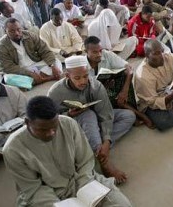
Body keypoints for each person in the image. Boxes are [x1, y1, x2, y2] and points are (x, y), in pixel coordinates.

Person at [3, 96, 132, 206]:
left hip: (81, 180)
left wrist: (84, 190)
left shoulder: (68, 124)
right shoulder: (13, 149)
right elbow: (32, 189)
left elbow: (85, 161)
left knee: (121, 204)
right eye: (43, 130)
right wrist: (57, 205)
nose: (51, 133)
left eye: (54, 127)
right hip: (46, 195)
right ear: (27, 122)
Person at [48, 56, 136, 184]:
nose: (83, 81)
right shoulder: (55, 92)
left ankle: (98, 149)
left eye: (85, 76)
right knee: (88, 114)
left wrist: (106, 140)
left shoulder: (96, 86)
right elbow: (50, 120)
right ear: (67, 76)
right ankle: (104, 162)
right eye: (77, 78)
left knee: (129, 116)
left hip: (95, 122)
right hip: (74, 126)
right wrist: (68, 114)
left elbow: (106, 113)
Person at [84, 36, 153, 128]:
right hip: (95, 96)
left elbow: (129, 69)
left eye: (100, 50)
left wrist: (124, 91)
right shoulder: (82, 66)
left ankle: (128, 108)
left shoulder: (107, 55)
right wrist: (102, 87)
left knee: (124, 75)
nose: (99, 54)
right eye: (95, 52)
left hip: (109, 88)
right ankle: (135, 113)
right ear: (86, 52)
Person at [0, 18, 62, 85]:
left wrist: (53, 66)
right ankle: (47, 78)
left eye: (18, 29)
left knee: (56, 61)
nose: (16, 33)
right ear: (5, 31)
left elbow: (45, 50)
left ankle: (35, 81)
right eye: (12, 31)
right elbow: (8, 67)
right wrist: (30, 74)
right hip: (19, 70)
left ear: (21, 28)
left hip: (36, 64)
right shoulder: (0, 47)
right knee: (8, 79)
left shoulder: (30, 36)